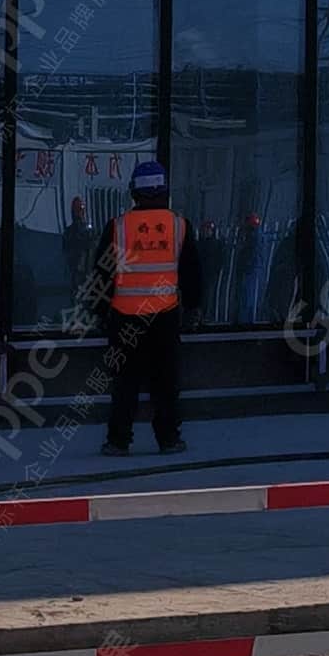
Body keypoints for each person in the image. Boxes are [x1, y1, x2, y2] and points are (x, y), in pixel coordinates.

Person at [80, 161, 192, 455]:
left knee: (124, 384)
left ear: (134, 192)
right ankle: (169, 439)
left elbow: (102, 274)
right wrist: (193, 310)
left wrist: (99, 311)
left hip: (124, 319)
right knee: (165, 383)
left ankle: (118, 441)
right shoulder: (179, 226)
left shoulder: (118, 227)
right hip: (165, 318)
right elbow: (192, 273)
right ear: (164, 191)